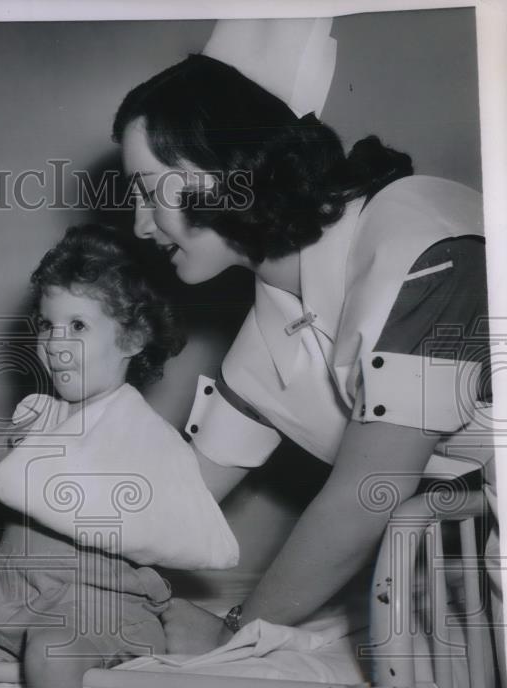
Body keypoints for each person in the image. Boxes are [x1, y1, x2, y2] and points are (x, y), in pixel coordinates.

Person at [113, 54, 490, 653]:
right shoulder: (274, 315)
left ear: (218, 172)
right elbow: (175, 501)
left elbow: (369, 493)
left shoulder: (424, 244)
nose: (138, 225)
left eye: (145, 191)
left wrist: (235, 632)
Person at [0, 224, 233, 688]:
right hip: (12, 602)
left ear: (133, 339)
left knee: (51, 651)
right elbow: (2, 523)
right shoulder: (34, 418)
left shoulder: (140, 435)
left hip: (98, 610)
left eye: (78, 325)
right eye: (47, 325)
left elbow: (161, 531)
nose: (56, 343)